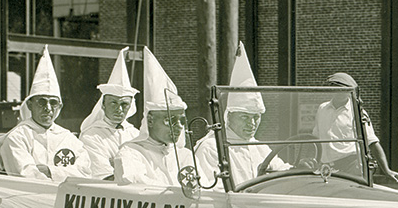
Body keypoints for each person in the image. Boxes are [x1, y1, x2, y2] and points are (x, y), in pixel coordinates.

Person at [193, 42, 289, 190]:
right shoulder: (211, 148)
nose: (251, 123)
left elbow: (280, 170)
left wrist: (296, 169)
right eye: (244, 117)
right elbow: (212, 191)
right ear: (229, 116)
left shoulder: (259, 147)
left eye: (256, 117)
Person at [0, 46, 91, 181]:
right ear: (29, 105)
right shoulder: (18, 138)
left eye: (53, 103)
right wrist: (65, 174)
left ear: (60, 106)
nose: (48, 108)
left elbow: (86, 173)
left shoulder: (70, 139)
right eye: (42, 102)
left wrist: (51, 171)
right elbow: (27, 176)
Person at [113, 47, 195, 187]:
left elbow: (205, 188)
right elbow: (134, 184)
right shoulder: (131, 153)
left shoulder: (185, 155)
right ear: (150, 120)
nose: (180, 126)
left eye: (181, 120)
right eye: (170, 120)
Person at [313, 72, 398, 182]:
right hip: (326, 167)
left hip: (351, 166)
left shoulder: (358, 112)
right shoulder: (322, 108)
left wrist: (386, 170)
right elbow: (316, 138)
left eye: (344, 89)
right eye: (336, 88)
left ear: (350, 91)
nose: (340, 92)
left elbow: (372, 142)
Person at [80, 47, 141, 180]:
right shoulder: (91, 135)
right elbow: (103, 175)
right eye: (113, 103)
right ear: (103, 105)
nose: (119, 109)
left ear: (131, 106)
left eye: (124, 104)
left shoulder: (136, 134)